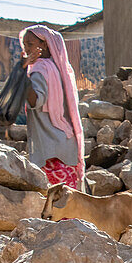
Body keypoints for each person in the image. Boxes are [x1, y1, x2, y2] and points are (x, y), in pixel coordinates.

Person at [19, 25, 85, 189]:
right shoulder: (56, 69)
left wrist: (21, 73)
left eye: (30, 44)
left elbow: (36, 101)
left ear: (45, 45)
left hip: (49, 153)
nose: (26, 49)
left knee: (53, 207)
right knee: (68, 208)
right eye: (25, 44)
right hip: (65, 146)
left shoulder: (39, 69)